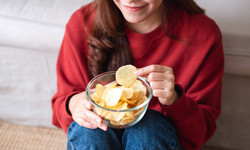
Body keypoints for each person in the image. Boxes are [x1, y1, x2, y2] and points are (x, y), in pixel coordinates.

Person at [51, 0, 224, 149]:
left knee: (148, 129)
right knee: (89, 132)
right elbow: (62, 105)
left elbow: (200, 133)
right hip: (97, 137)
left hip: (159, 139)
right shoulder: (82, 23)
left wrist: (175, 99)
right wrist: (74, 105)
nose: (131, 0)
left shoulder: (204, 35)